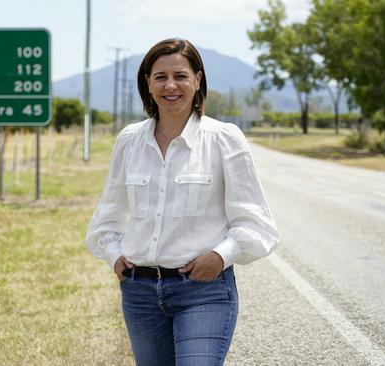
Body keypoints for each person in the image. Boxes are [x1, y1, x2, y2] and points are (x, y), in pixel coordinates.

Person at [85, 38, 279, 366]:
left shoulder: (223, 139)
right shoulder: (129, 141)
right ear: (147, 82)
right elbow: (108, 215)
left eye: (181, 76)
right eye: (160, 76)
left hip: (203, 292)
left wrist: (221, 255)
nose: (170, 85)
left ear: (198, 80)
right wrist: (114, 256)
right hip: (140, 295)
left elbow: (256, 223)